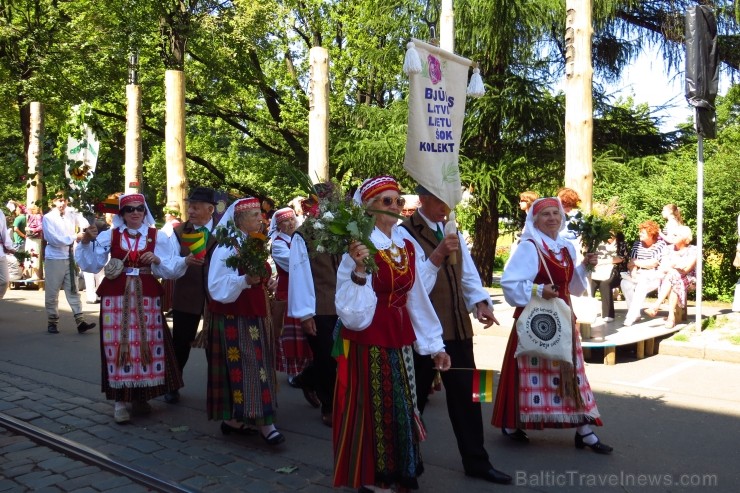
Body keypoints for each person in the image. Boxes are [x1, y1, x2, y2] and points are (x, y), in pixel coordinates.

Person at [333, 175, 451, 492]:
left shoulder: (405, 243)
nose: (396, 206)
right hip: (369, 338)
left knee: (404, 403)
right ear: (368, 208)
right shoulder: (359, 247)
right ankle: (376, 475)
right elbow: (351, 314)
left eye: (399, 200)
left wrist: (434, 345)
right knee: (379, 406)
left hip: (399, 337)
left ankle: (401, 467)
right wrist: (359, 270)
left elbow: (417, 296)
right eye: (387, 201)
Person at [399, 185, 512, 485]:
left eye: (449, 200)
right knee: (414, 400)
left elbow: (467, 271)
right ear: (422, 199)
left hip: (458, 328)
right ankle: (405, 464)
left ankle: (477, 461)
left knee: (472, 394)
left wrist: (481, 302)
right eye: (438, 199)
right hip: (422, 331)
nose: (445, 206)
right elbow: (412, 284)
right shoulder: (405, 233)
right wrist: (436, 255)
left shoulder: (452, 228)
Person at [493, 197, 612, 454]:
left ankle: (584, 429)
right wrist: (538, 289)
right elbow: (510, 283)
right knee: (528, 372)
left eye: (556, 214)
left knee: (571, 373)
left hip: (563, 318)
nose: (552, 218)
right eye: (545, 214)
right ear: (534, 219)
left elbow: (573, 286)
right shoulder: (529, 246)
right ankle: (513, 423)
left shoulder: (566, 247)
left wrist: (584, 267)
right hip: (535, 321)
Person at [75, 193, 186, 424]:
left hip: (146, 294)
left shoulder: (157, 236)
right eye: (129, 209)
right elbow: (91, 263)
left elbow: (171, 267)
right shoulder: (110, 235)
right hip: (116, 296)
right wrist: (85, 241)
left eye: (139, 208)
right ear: (121, 214)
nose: (135, 212)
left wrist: (156, 260)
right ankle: (120, 402)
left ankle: (141, 397)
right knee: (118, 345)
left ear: (145, 211)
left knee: (148, 344)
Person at [206, 197, 284, 445]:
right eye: (253, 215)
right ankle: (264, 423)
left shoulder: (253, 243)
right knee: (252, 366)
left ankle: (233, 420)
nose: (260, 219)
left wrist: (267, 281)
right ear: (239, 220)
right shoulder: (227, 247)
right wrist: (244, 281)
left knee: (254, 364)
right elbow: (216, 287)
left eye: (259, 214)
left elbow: (258, 275)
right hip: (236, 317)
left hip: (257, 313)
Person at [287, 189, 342, 427]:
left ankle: (307, 379)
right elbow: (300, 275)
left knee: (338, 357)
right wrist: (305, 313)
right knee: (327, 358)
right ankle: (329, 406)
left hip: (345, 304)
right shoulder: (304, 235)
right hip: (319, 305)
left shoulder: (344, 228)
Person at [163, 187, 218, 404]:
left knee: (216, 345)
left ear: (210, 209)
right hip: (187, 294)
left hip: (215, 297)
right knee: (181, 342)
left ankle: (216, 389)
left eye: (195, 207)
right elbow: (169, 262)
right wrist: (184, 262)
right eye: (190, 206)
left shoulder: (223, 231)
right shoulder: (179, 232)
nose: (191, 211)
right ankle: (173, 383)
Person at [269, 207, 316, 400]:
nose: (289, 224)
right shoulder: (279, 244)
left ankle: (304, 370)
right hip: (288, 293)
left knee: (303, 335)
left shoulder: (297, 239)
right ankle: (292, 372)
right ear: (278, 226)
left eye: (291, 220)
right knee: (290, 336)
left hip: (299, 291)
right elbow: (294, 264)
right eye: (284, 222)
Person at [42, 193, 95, 334]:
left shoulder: (71, 212)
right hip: (54, 257)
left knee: (73, 289)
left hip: (70, 256)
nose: (62, 203)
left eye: (64, 200)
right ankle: (52, 321)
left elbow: (83, 222)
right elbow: (53, 239)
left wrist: (86, 228)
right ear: (53, 201)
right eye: (59, 200)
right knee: (52, 291)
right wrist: (73, 237)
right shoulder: (48, 218)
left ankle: (80, 321)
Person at [645, 225, 697, 328]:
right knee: (673, 276)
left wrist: (674, 267)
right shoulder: (667, 249)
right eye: (672, 234)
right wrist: (676, 267)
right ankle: (671, 316)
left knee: (673, 275)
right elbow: (663, 267)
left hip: (689, 279)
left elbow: (687, 269)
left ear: (685, 239)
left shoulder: (693, 250)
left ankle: (656, 306)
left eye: (676, 235)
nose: (672, 237)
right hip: (670, 278)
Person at [620, 220, 666, 326]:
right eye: (640, 232)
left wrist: (636, 263)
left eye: (643, 232)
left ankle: (630, 317)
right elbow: (630, 263)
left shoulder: (660, 245)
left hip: (653, 276)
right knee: (624, 283)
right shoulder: (637, 244)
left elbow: (654, 263)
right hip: (638, 273)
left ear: (651, 234)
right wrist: (634, 271)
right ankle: (635, 314)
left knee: (641, 286)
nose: (640, 234)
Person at [590, 232, 628, 322]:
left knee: (605, 283)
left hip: (616, 271)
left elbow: (621, 258)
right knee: (591, 285)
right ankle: (587, 312)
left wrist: (602, 262)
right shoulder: (597, 242)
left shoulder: (621, 243)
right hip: (598, 271)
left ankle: (608, 315)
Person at [24, 204, 43, 280]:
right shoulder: (30, 216)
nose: (28, 211)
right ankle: (32, 274)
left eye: (30, 209)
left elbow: (41, 226)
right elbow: (23, 209)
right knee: (28, 254)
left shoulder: (38, 216)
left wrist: (32, 229)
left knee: (34, 254)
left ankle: (36, 275)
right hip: (30, 237)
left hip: (35, 238)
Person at [0, 208, 15, 299]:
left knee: (4, 281)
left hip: (0, 252)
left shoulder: (0, 212)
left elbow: (4, 231)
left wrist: (9, 246)